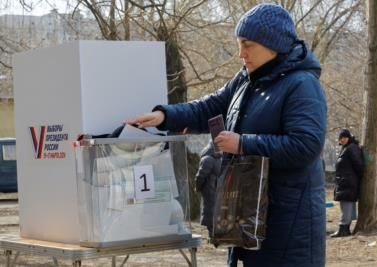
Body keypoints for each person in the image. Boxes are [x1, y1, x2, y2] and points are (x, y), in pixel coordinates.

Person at [126, 3, 327, 266]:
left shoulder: (302, 85)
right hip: (247, 220)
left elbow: (306, 146)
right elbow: (208, 107)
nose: (240, 54)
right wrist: (165, 116)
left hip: (288, 228)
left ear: (273, 44)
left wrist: (243, 144)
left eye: (247, 44)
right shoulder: (245, 80)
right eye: (238, 44)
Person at [331, 128, 363, 238]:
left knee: (346, 205)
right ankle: (344, 228)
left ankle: (343, 229)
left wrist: (357, 177)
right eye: (340, 138)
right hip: (345, 182)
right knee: (346, 206)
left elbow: (358, 164)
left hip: (348, 183)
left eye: (344, 137)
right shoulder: (346, 148)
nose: (342, 139)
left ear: (348, 137)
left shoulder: (351, 148)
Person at [195, 142, 222, 235]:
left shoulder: (207, 159)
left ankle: (212, 231)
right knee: (215, 209)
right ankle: (214, 230)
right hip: (217, 189)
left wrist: (197, 187)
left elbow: (200, 176)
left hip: (209, 188)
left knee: (209, 209)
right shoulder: (219, 160)